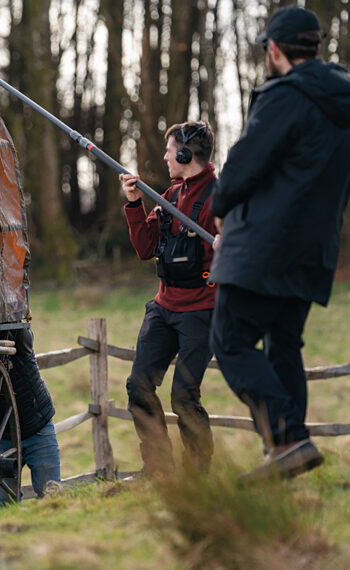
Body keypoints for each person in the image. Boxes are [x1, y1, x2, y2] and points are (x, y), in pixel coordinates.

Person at [209, 6, 350, 483]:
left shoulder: (285, 96)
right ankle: (286, 451)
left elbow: (244, 165)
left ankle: (288, 438)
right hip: (314, 250)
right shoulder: (342, 102)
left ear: (274, 50)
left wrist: (220, 205)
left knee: (229, 340)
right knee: (284, 344)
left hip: (263, 247)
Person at [119, 120, 219, 476]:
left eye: (170, 150)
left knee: (184, 398)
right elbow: (145, 248)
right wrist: (135, 205)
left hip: (202, 312)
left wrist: (232, 242)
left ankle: (197, 478)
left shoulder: (220, 199)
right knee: (138, 387)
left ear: (186, 154)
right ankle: (159, 469)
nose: (165, 157)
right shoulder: (170, 196)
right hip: (163, 308)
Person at [4, 325, 61, 498]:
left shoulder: (18, 334)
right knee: (5, 504)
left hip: (37, 425)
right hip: (2, 434)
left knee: (51, 495)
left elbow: (23, 335)